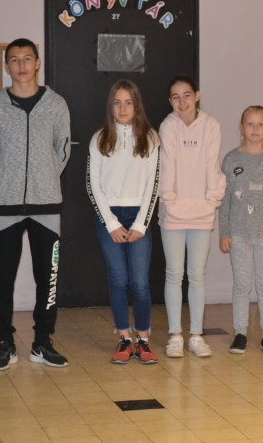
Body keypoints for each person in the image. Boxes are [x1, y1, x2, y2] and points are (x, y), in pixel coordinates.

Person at [0, 38, 71, 370]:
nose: (21, 65)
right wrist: (9, 180)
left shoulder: (56, 104)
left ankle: (42, 342)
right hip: (5, 206)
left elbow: (62, 150)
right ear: (7, 66)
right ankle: (5, 342)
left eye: (27, 59)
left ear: (37, 63)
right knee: (2, 277)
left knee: (48, 278)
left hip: (47, 205)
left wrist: (43, 180)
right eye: (15, 60)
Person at [87, 79, 161, 364]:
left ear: (137, 106)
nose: (122, 108)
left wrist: (141, 224)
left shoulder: (150, 138)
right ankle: (124, 339)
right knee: (118, 279)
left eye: (128, 102)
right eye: (117, 102)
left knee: (140, 282)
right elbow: (93, 185)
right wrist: (111, 223)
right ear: (111, 106)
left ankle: (142, 339)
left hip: (139, 215)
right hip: (110, 217)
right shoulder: (100, 139)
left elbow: (153, 185)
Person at [158, 76, 226, 358]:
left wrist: (212, 200)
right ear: (170, 101)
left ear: (197, 96)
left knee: (197, 275)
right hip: (173, 214)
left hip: (202, 213)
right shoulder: (168, 126)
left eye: (187, 95)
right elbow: (167, 166)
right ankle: (175, 335)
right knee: (174, 274)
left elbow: (212, 165)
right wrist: (170, 201)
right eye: (175, 97)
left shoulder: (211, 125)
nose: (182, 102)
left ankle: (196, 336)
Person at [219, 106, 263, 355]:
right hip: (239, 234)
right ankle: (240, 333)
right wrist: (224, 232)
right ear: (242, 127)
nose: (255, 129)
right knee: (241, 285)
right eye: (250, 124)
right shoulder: (231, 160)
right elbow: (225, 200)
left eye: (261, 124)